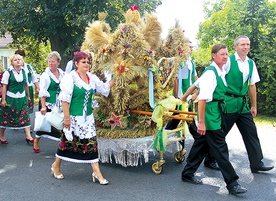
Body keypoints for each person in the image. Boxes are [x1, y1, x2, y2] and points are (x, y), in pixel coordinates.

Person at [180, 44, 247, 195]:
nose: (225, 57)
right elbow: (203, 99)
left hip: (216, 112)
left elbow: (195, 85)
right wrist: (202, 122)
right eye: (222, 54)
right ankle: (232, 183)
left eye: (226, 54)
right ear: (213, 56)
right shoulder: (211, 73)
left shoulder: (219, 71)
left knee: (202, 144)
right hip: (211, 116)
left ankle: (187, 173)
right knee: (220, 148)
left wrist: (183, 99)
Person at [51, 51, 114, 185]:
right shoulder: (71, 78)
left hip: (88, 118)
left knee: (91, 144)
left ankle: (97, 172)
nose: (87, 64)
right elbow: (64, 100)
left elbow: (104, 89)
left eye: (88, 61)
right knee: (66, 143)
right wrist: (67, 119)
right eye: (83, 62)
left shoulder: (92, 78)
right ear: (76, 63)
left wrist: (119, 76)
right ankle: (56, 166)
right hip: (73, 118)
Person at [224, 35, 274, 173]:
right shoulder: (228, 61)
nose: (246, 47)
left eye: (247, 44)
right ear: (235, 46)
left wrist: (254, 105)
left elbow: (252, 86)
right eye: (242, 44)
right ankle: (210, 158)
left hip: (242, 104)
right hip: (228, 103)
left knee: (251, 131)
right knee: (220, 134)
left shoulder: (251, 63)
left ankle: (256, 163)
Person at [172, 41, 219, 170]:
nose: (191, 49)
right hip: (181, 99)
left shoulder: (191, 62)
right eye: (189, 46)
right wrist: (178, 97)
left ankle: (183, 149)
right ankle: (193, 150)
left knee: (179, 124)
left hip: (188, 99)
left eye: (192, 47)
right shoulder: (178, 62)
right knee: (185, 124)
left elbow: (196, 79)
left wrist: (196, 93)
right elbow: (175, 79)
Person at [33, 51, 65, 153]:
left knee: (60, 124)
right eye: (49, 61)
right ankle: (36, 140)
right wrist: (43, 106)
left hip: (59, 103)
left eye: (53, 61)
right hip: (48, 103)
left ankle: (62, 145)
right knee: (44, 125)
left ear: (58, 62)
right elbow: (43, 91)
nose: (51, 63)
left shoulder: (62, 74)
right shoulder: (45, 75)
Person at [0, 54, 34, 144]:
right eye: (15, 60)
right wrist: (3, 100)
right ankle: (2, 135)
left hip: (22, 97)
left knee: (25, 115)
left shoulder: (24, 71)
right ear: (12, 62)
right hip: (11, 98)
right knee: (5, 117)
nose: (18, 61)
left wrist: (28, 96)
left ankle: (28, 136)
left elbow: (26, 84)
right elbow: (4, 86)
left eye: (19, 59)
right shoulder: (8, 72)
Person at [15, 50, 40, 118]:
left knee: (27, 106)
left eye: (21, 57)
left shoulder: (28, 67)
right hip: (19, 89)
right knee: (19, 106)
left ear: (24, 57)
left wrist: (37, 88)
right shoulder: (13, 68)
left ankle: (26, 122)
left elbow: (34, 78)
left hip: (29, 87)